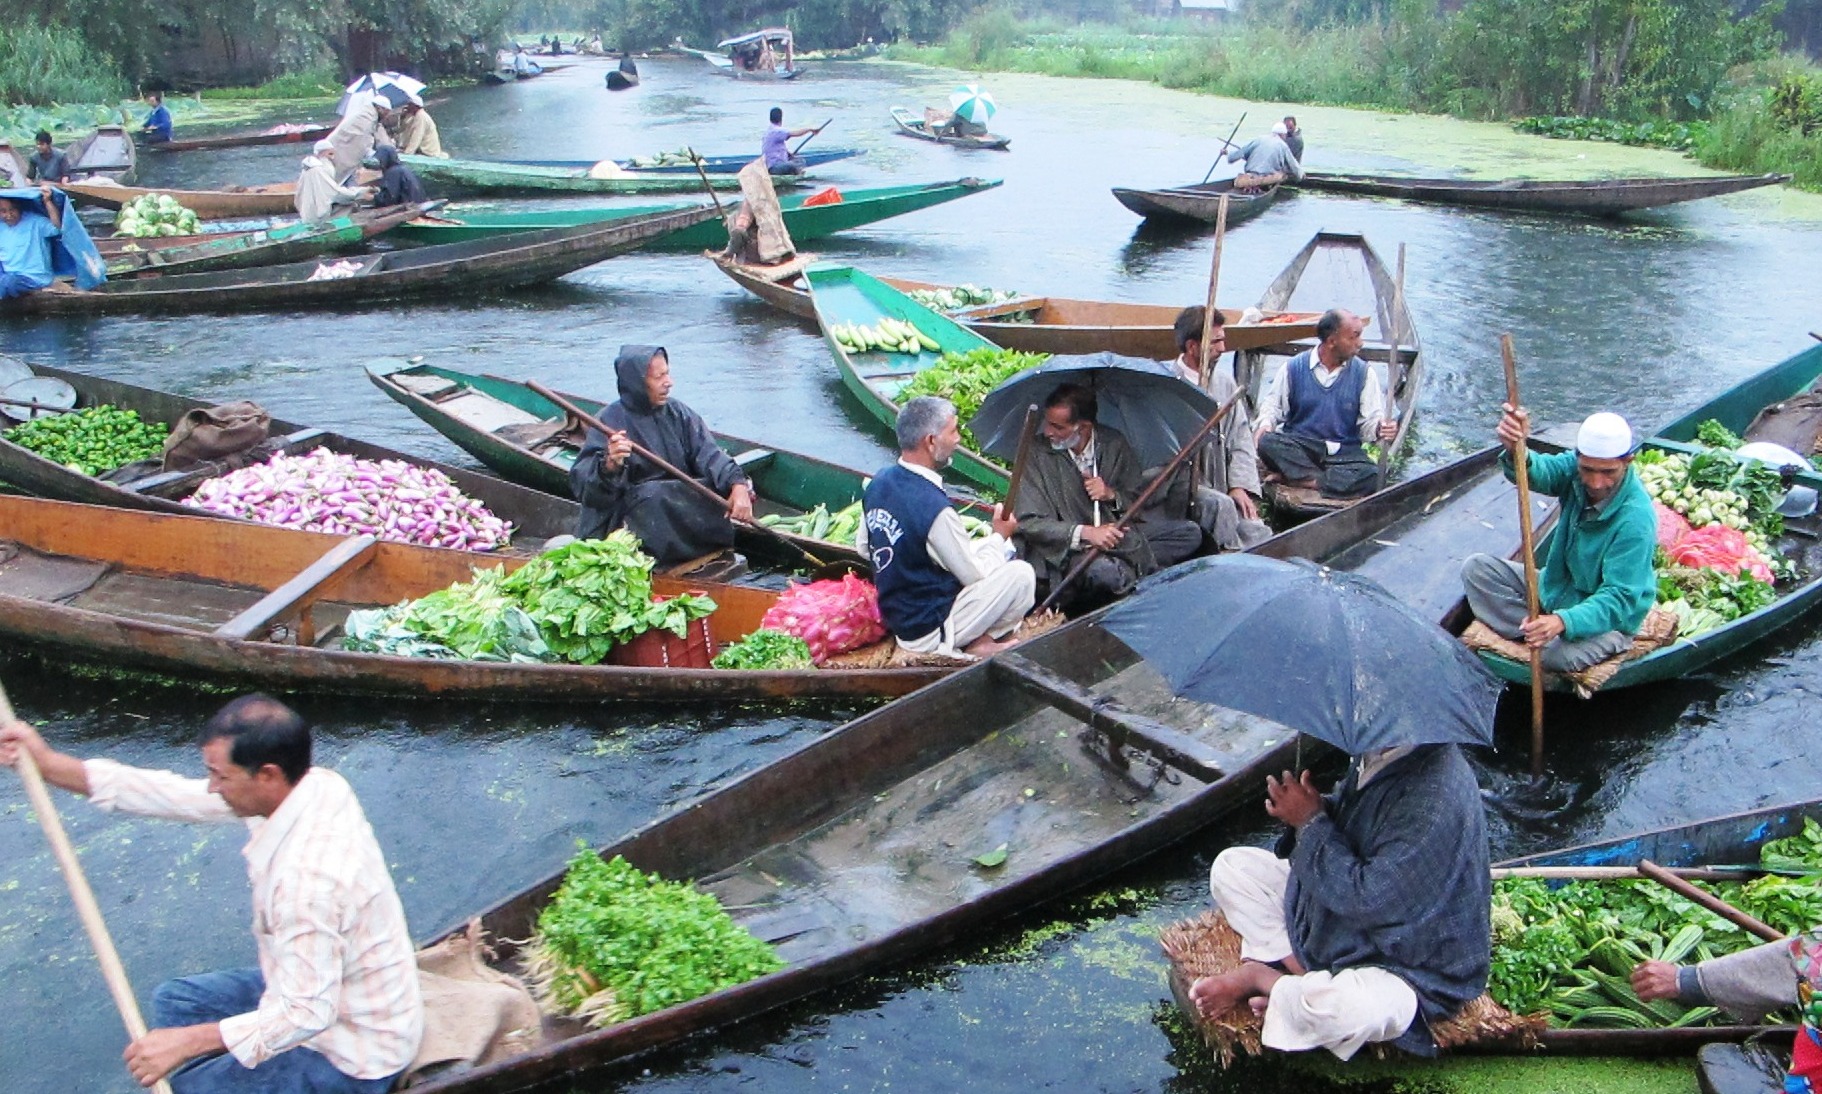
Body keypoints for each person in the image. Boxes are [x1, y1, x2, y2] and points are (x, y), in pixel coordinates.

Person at [0, 695, 422, 1092]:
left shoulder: (307, 885)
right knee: (178, 1001)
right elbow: (175, 796)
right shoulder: (315, 786)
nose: (211, 788)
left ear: (268, 774)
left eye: (220, 776)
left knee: (186, 1084)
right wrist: (51, 765)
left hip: (352, 1052)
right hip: (325, 990)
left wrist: (187, 1043)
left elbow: (308, 1013)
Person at [1189, 745, 1491, 1060]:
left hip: (1411, 959)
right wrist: (1318, 807)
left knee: (1348, 1011)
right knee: (1232, 868)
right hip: (1343, 912)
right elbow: (1361, 827)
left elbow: (1371, 901)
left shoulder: (1434, 794)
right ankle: (1302, 973)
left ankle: (1266, 979)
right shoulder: (1379, 753)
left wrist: (1309, 822)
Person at [1460, 408, 1656, 672]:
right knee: (1477, 570)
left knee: (1551, 657)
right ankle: (1534, 629)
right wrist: (1516, 449)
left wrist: (1564, 621)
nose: (1596, 483)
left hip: (1609, 620)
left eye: (1608, 472)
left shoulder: (1636, 520)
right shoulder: (1574, 471)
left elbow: (1619, 598)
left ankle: (1544, 633)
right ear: (1578, 460)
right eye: (1588, 470)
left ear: (1628, 461)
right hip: (1558, 589)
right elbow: (1540, 472)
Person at [861, 396, 1036, 658]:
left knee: (975, 551)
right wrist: (998, 536)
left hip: (900, 617)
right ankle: (983, 640)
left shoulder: (879, 482)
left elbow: (865, 548)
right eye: (953, 431)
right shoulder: (936, 509)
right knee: (1021, 574)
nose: (957, 440)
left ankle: (975, 635)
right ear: (931, 442)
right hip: (929, 631)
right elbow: (974, 576)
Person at [1014, 383, 1203, 606]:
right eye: (1048, 423)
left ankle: (1126, 570)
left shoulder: (1113, 443)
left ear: (1083, 427)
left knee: (1189, 534)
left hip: (1117, 535)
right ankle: (1131, 576)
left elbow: (1135, 501)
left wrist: (1111, 495)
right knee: (1104, 573)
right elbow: (1030, 522)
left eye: (1058, 427)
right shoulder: (1035, 452)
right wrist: (1086, 532)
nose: (1047, 432)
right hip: (1068, 550)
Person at [569, 346, 757, 565]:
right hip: (632, 520)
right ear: (637, 383)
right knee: (654, 495)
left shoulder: (679, 413)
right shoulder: (608, 422)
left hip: (673, 508)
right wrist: (610, 465)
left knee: (715, 485)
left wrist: (737, 484)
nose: (669, 382)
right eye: (660, 377)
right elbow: (587, 491)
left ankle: (703, 550)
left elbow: (710, 454)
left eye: (667, 373)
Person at [1157, 305, 1272, 551]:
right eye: (1216, 342)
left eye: (1223, 340)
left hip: (1221, 482)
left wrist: (1238, 485)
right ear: (1192, 347)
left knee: (1256, 529)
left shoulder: (1224, 383)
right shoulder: (1164, 383)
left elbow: (1240, 438)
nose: (1222, 348)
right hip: (1179, 489)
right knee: (1220, 507)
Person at [1255, 309, 1397, 500]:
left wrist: (1380, 429)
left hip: (1343, 454)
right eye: (1354, 337)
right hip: (1301, 447)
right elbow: (1273, 407)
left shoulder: (1364, 373)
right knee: (1267, 442)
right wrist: (1265, 424)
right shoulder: (1293, 367)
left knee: (1374, 475)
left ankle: (1301, 480)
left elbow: (1368, 425)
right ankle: (1327, 482)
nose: (1360, 343)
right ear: (1331, 342)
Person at [0, 182, 64, 298]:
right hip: (7, 276)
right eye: (3, 211)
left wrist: (47, 201)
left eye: (12, 210)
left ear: (19, 208)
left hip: (34, 278)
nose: (8, 215)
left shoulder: (36, 222)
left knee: (9, 282)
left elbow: (56, 228)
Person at [294, 138, 369, 224]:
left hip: (306, 215)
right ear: (321, 153)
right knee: (349, 204)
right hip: (318, 218)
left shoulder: (306, 170)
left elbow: (298, 198)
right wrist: (360, 192)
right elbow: (336, 193)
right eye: (330, 154)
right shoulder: (319, 171)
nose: (333, 158)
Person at [325, 94, 394, 182]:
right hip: (338, 148)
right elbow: (362, 143)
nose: (386, 116)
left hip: (337, 145)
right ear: (380, 108)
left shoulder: (367, 115)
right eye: (386, 112)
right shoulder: (366, 119)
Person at [1225, 126, 1304, 186]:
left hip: (1249, 175)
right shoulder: (1283, 145)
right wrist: (1300, 176)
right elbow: (1293, 165)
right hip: (1267, 177)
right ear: (1283, 135)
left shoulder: (1259, 139)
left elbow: (1236, 155)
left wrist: (1227, 154)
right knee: (1282, 175)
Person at [762, 107, 814, 175]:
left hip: (775, 164)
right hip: (774, 167)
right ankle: (798, 175)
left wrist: (789, 154)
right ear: (781, 118)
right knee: (793, 165)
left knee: (801, 161)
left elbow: (774, 147)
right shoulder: (777, 131)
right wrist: (809, 130)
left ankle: (796, 172)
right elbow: (795, 133)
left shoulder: (769, 131)